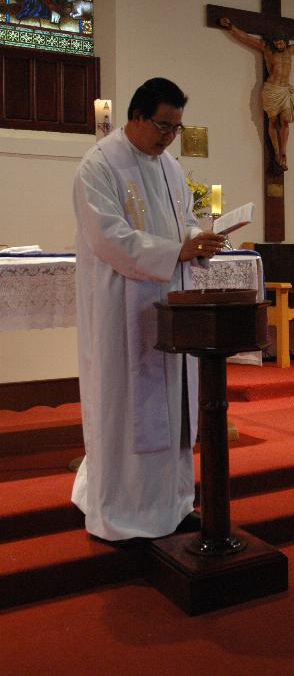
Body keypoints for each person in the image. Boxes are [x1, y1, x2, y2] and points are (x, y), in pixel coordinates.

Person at [71, 78, 225, 542]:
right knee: (127, 410)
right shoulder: (98, 167)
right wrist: (175, 252)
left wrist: (200, 242)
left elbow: (187, 221)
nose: (168, 137)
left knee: (175, 409)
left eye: (176, 128)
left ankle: (173, 505)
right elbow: (109, 239)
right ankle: (120, 509)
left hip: (170, 310)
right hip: (121, 312)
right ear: (136, 117)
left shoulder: (170, 168)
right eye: (162, 125)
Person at [219, 16, 294, 171]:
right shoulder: (267, 49)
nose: (278, 44)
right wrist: (230, 26)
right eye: (276, 42)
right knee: (274, 122)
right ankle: (277, 153)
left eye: (281, 41)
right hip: (271, 90)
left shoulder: (290, 51)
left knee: (285, 122)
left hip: (284, 90)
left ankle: (283, 151)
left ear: (285, 41)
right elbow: (246, 38)